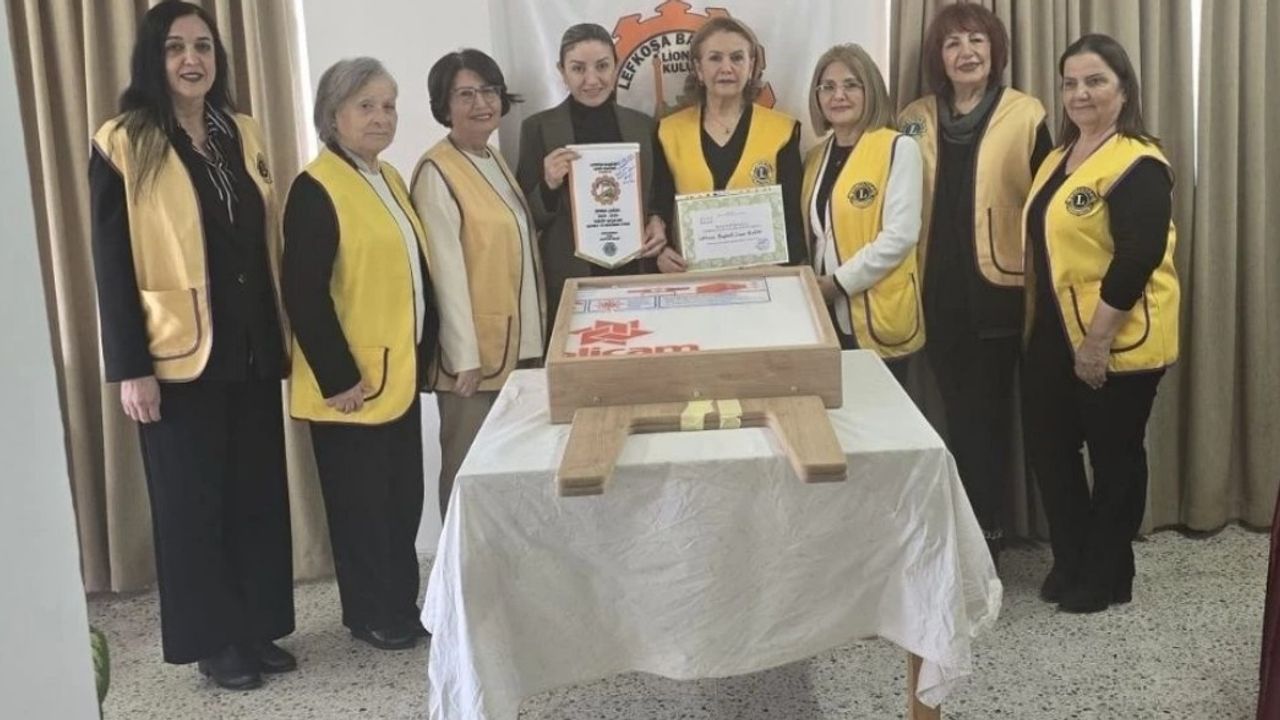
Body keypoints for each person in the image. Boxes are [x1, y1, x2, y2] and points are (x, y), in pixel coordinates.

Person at [89, 0, 293, 690]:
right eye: (176, 47)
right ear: (155, 58)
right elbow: (112, 263)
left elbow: (259, 236)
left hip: (252, 343)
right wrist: (131, 368)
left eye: (203, 46)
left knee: (255, 495)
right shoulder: (124, 141)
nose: (192, 59)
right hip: (175, 355)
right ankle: (215, 641)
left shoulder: (242, 130)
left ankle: (257, 624)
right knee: (192, 506)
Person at [282, 57, 438, 650]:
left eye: (389, 105)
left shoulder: (388, 176)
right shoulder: (315, 187)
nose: (381, 117)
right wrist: (338, 377)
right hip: (352, 384)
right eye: (365, 106)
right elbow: (303, 292)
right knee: (361, 507)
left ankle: (399, 604)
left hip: (396, 373)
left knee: (399, 501)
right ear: (333, 115)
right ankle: (370, 612)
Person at [1022, 34, 1179, 614]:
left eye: (1095, 81)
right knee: (1051, 450)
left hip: (1116, 336)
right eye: (1070, 83)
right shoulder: (1058, 157)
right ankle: (1072, 559)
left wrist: (1096, 343)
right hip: (1053, 331)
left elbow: (1137, 257)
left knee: (1115, 459)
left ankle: (1108, 571)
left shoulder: (1139, 161)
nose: (1080, 93)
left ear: (1124, 89)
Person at [897, 3, 1052, 563]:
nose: (966, 52)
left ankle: (988, 537)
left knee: (988, 417)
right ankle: (963, 535)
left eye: (977, 41)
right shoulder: (913, 117)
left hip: (998, 292)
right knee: (954, 414)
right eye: (952, 43)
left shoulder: (1025, 113)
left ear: (995, 51)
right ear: (938, 57)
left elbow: (1049, 206)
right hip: (934, 291)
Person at [410, 49, 545, 519]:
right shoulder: (436, 171)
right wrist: (462, 356)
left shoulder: (493, 158)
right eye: (465, 95)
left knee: (507, 479)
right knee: (467, 475)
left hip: (516, 348)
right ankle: (460, 565)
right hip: (474, 364)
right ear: (443, 106)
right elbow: (444, 272)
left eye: (488, 91)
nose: (481, 103)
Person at [516, 23, 665, 319]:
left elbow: (658, 195)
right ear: (562, 71)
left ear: (616, 65)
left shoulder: (643, 125)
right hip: (571, 277)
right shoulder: (538, 128)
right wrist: (548, 184)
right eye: (578, 68)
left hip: (636, 271)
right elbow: (525, 217)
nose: (592, 79)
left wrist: (657, 221)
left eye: (602, 66)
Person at [801, 44, 924, 385]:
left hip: (878, 312)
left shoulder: (898, 147)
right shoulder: (814, 157)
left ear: (870, 90)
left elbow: (900, 236)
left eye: (851, 85)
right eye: (828, 87)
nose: (838, 95)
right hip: (825, 315)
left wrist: (838, 283)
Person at [649, 16, 807, 272]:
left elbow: (794, 220)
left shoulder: (782, 131)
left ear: (751, 66)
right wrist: (662, 253)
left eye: (737, 58)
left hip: (762, 279)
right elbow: (659, 207)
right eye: (715, 58)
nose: (726, 68)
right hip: (690, 278)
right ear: (698, 68)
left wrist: (780, 266)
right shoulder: (668, 132)